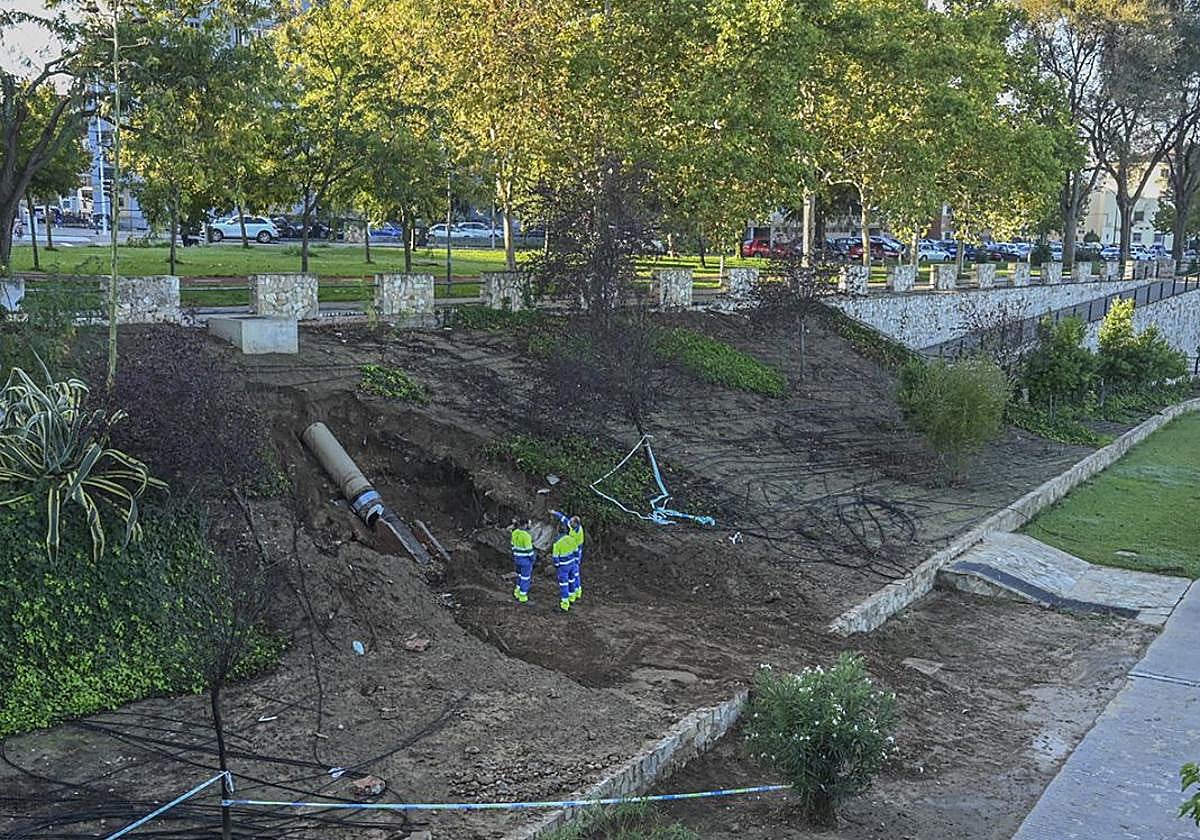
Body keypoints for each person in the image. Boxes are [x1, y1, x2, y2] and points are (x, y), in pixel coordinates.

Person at [551, 510, 584, 604]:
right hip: (571, 554)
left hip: (573, 554)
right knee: (572, 576)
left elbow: (578, 548)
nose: (569, 523)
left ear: (576, 524)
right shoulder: (571, 527)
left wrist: (577, 560)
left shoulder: (578, 534)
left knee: (575, 574)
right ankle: (573, 594)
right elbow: (564, 519)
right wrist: (554, 513)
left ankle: (576, 592)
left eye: (571, 522)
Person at [510, 518, 535, 604]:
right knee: (525, 578)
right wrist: (533, 559)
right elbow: (529, 550)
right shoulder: (526, 536)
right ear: (525, 525)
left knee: (519, 576)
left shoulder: (514, 532)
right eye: (529, 523)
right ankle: (523, 597)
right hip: (525, 561)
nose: (530, 525)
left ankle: (517, 593)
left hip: (517, 559)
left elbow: (512, 546)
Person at [552, 526, 575, 613]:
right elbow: (576, 551)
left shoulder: (557, 543)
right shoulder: (572, 539)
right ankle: (572, 598)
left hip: (563, 566)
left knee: (564, 584)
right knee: (571, 580)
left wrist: (557, 565)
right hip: (572, 563)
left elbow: (555, 557)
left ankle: (565, 604)